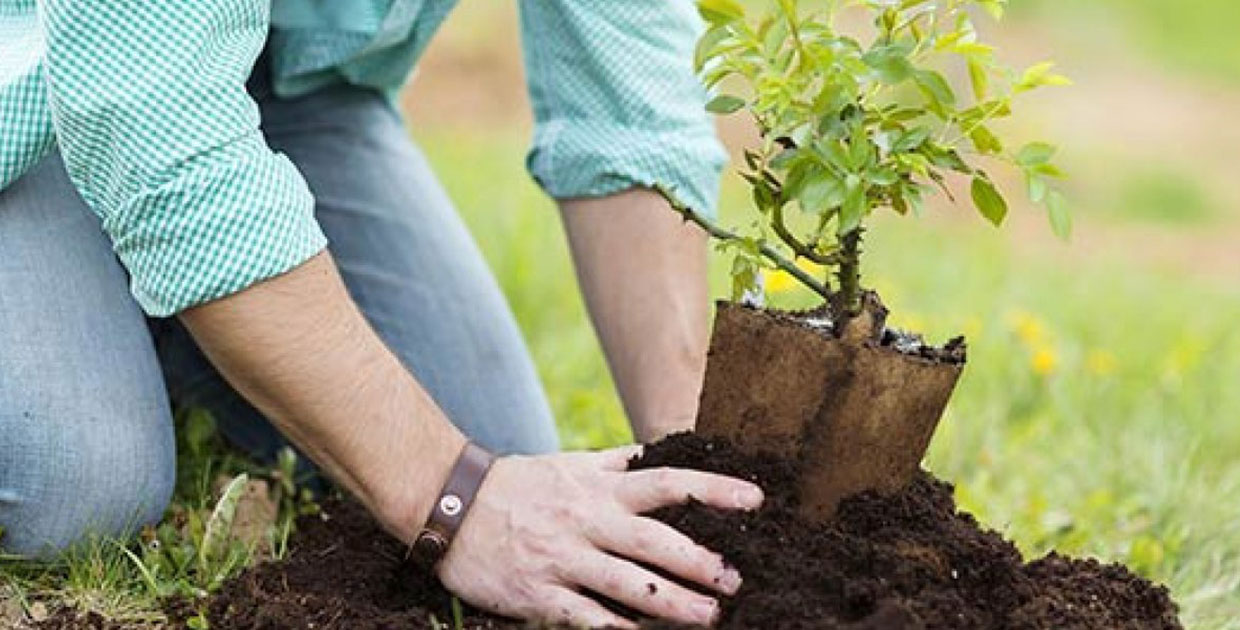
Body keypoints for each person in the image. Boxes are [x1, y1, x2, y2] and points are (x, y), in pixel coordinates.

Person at [0, 0, 766, 627]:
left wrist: (700, 480)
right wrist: (456, 502)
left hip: (288, 80)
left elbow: (628, 92)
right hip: (33, 65)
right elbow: (156, 119)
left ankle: (157, 296)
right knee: (80, 482)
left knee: (494, 447)